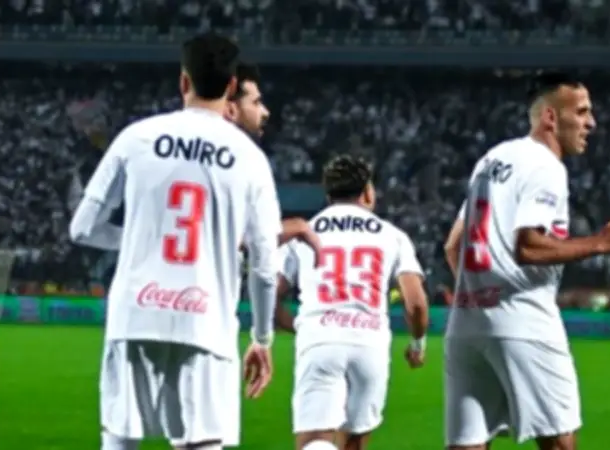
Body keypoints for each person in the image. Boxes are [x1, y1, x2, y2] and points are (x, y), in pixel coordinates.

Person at [68, 32, 280, 450]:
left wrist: (138, 237)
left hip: (134, 315)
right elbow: (264, 264)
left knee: (120, 438)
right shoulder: (250, 158)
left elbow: (83, 228)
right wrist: (262, 338)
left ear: (184, 81)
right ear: (232, 87)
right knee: (200, 443)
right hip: (206, 322)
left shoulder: (136, 137)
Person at [442, 73, 610, 450]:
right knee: (559, 443)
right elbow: (529, 247)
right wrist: (601, 242)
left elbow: (453, 245)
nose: (591, 123)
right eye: (581, 112)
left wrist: (480, 295)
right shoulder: (546, 166)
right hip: (524, 320)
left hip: (467, 324)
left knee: (467, 444)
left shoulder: (492, 159)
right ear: (550, 117)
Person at [275, 155, 430, 450]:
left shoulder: (305, 233)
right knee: (355, 441)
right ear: (368, 192)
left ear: (328, 194)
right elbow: (417, 304)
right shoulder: (393, 236)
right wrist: (417, 343)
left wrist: (299, 326)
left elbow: (270, 297)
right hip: (369, 344)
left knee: (313, 442)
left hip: (320, 340)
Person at [226, 62, 321, 261]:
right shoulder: (247, 158)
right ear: (231, 108)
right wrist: (297, 227)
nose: (265, 112)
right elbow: (258, 240)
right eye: (255, 103)